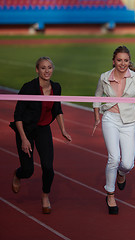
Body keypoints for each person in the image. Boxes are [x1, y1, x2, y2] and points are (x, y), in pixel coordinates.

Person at [10, 56, 72, 214]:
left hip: (43, 129)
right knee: (28, 170)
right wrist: (24, 139)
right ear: (37, 70)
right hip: (26, 129)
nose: (47, 71)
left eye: (49, 67)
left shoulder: (56, 87)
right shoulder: (28, 88)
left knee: (48, 167)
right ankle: (18, 174)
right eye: (43, 68)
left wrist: (63, 130)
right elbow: (17, 115)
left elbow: (57, 110)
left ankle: (45, 196)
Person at [93, 46, 135, 215]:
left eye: (126, 60)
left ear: (129, 61)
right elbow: (96, 98)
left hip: (130, 122)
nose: (122, 63)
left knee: (127, 164)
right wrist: (96, 117)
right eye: (119, 60)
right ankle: (110, 194)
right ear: (113, 61)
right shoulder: (104, 77)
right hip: (110, 119)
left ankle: (122, 174)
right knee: (114, 158)